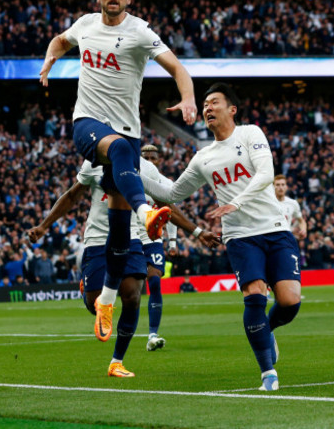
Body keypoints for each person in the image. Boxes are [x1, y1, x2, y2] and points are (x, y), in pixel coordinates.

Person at [39, 0, 197, 343]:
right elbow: (61, 40)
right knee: (124, 149)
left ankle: (106, 302)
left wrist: (188, 97)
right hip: (89, 125)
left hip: (125, 139)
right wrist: (50, 60)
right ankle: (147, 210)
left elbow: (177, 67)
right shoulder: (86, 24)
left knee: (120, 238)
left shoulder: (140, 32)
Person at [140, 83, 302, 391]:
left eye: (214, 102)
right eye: (204, 105)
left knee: (290, 302)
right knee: (254, 296)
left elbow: (266, 173)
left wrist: (236, 201)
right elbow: (173, 193)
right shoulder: (203, 157)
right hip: (240, 236)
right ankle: (268, 373)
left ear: (232, 109)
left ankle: (268, 329)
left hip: (276, 229)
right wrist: (133, 177)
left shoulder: (251, 134)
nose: (207, 108)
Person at [28, 158, 218, 377]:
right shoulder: (94, 163)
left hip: (131, 238)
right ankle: (88, 289)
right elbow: (72, 196)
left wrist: (197, 232)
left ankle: (117, 362)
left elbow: (165, 204)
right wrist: (44, 226)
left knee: (132, 295)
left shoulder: (144, 168)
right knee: (94, 305)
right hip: (98, 239)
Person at [139, 144, 220, 351]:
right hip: (130, 234)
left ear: (159, 160)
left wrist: (172, 242)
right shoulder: (131, 176)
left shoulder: (165, 184)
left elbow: (170, 213)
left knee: (155, 280)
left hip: (153, 237)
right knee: (129, 289)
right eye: (145, 157)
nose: (149, 161)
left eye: (153, 158)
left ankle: (152, 334)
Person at [274, 175, 307, 240]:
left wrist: (303, 230)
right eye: (277, 185)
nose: (280, 187)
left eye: (283, 185)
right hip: (270, 239)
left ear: (286, 187)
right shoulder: (268, 203)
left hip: (285, 240)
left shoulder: (293, 203)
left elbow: (301, 220)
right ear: (273, 187)